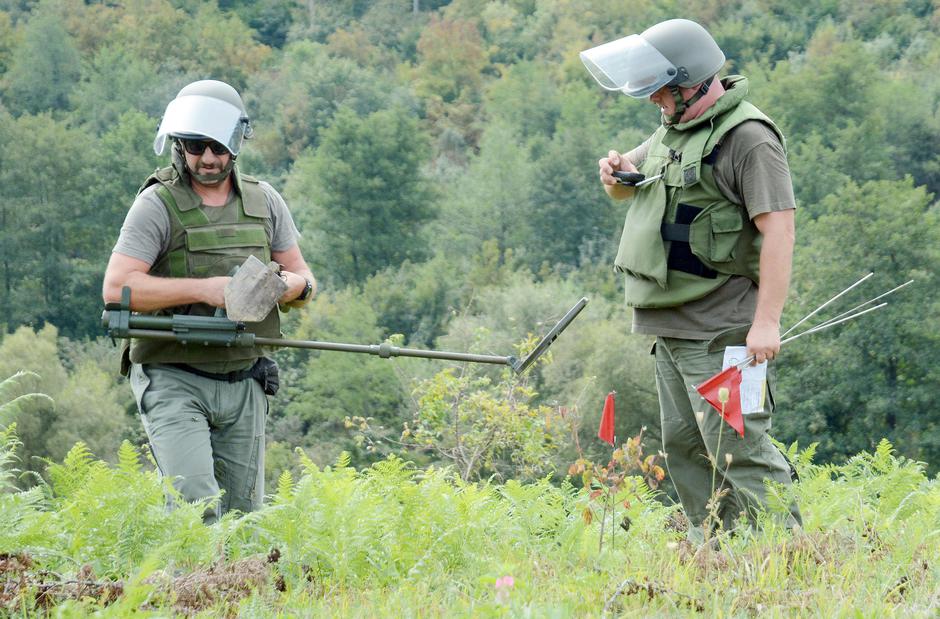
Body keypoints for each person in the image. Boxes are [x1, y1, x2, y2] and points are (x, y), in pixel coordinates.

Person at [581, 19, 801, 540]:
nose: (653, 98)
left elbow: (781, 232)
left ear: (692, 82)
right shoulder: (673, 129)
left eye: (662, 89)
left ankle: (794, 562)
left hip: (722, 331)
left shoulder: (749, 139)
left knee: (739, 451)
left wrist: (767, 323)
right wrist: (613, 172)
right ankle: (717, 558)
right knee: (684, 449)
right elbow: (627, 184)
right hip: (672, 329)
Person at [102, 79, 315, 524]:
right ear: (179, 145)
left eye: (217, 146)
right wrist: (206, 289)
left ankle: (232, 595)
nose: (208, 159)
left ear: (236, 142)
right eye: (195, 147)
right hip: (174, 376)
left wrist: (284, 286)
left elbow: (303, 276)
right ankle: (187, 592)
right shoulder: (157, 204)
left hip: (244, 377)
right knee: (195, 512)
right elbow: (117, 287)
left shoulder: (264, 200)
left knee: (243, 521)